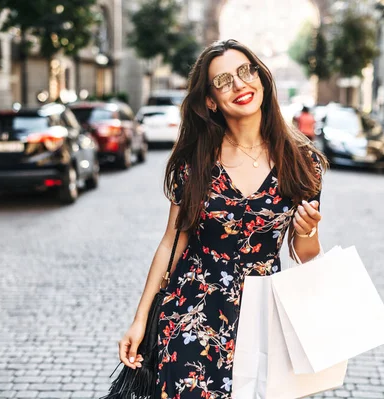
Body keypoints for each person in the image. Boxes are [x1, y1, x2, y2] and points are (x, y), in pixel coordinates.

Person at [117, 39, 327, 398]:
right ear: (211, 101)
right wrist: (140, 319)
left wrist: (308, 231)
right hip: (191, 315)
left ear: (262, 78)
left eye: (246, 72)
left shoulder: (302, 162)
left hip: (261, 321)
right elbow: (171, 240)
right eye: (224, 80)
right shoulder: (195, 162)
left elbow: (305, 254)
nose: (239, 84)